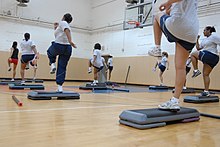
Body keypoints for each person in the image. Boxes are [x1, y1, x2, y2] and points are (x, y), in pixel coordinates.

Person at [148, 0, 199, 111]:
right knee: (180, 67)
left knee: (156, 16)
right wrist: (169, 9)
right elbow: (180, 8)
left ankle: (157, 47)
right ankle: (175, 101)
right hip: (192, 33)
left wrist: (167, 3)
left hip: (179, 25)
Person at [47, 13, 77, 92]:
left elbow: (66, 30)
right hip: (67, 49)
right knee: (62, 67)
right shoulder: (63, 25)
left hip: (59, 46)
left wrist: (70, 41)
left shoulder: (63, 23)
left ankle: (52, 64)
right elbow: (60, 34)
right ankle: (60, 87)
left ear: (63, 17)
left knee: (49, 52)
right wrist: (56, 28)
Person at [191, 26, 220, 96]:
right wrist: (196, 39)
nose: (203, 32)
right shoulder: (204, 40)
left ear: (209, 30)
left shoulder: (214, 36)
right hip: (209, 57)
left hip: (211, 55)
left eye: (204, 30)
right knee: (205, 74)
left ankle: (196, 70)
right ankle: (206, 91)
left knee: (193, 54)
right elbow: (198, 48)